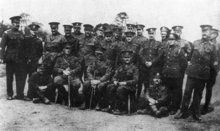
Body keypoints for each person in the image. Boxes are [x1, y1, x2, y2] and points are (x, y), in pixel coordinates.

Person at [175, 25, 217, 121]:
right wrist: (189, 63)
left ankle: (196, 112)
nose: (204, 33)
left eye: (206, 31)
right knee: (187, 93)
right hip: (192, 72)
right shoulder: (195, 43)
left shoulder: (212, 46)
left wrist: (211, 72)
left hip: (202, 74)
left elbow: (214, 61)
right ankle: (183, 111)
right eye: (203, 31)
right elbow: (189, 56)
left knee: (198, 94)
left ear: (210, 32)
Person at [0, 16, 28, 100]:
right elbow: (2, 46)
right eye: (16, 23)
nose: (17, 24)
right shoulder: (7, 33)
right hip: (10, 59)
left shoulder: (21, 33)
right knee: (9, 77)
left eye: (18, 23)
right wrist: (1, 57)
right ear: (12, 23)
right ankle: (9, 94)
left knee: (19, 77)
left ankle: (20, 94)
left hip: (20, 59)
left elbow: (23, 47)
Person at [161, 33, 187, 115]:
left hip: (177, 75)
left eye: (172, 40)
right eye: (169, 39)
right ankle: (169, 106)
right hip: (167, 74)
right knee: (168, 91)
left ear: (175, 41)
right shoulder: (166, 49)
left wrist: (180, 73)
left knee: (177, 92)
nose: (171, 41)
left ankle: (175, 107)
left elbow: (184, 64)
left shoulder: (179, 50)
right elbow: (162, 60)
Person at [138, 28, 162, 99]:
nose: (151, 35)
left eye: (152, 33)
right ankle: (143, 100)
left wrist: (152, 62)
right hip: (144, 68)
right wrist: (145, 62)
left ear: (155, 34)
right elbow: (140, 54)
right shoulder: (144, 43)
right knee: (145, 83)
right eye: (150, 33)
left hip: (153, 68)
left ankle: (151, 100)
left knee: (152, 84)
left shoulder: (158, 44)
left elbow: (160, 55)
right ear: (148, 34)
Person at [202, 28, 219, 114]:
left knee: (209, 88)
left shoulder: (218, 45)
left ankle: (206, 106)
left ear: (216, 35)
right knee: (200, 87)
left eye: (212, 34)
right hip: (204, 69)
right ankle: (196, 105)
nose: (210, 35)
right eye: (209, 33)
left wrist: (217, 69)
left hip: (212, 71)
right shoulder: (206, 44)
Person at [25, 23, 43, 100]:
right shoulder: (26, 39)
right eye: (32, 30)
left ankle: (31, 94)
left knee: (32, 77)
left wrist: (35, 59)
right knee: (23, 77)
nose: (34, 32)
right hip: (26, 61)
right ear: (30, 31)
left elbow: (40, 52)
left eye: (35, 30)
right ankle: (21, 94)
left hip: (34, 62)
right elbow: (23, 50)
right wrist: (27, 58)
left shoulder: (39, 41)